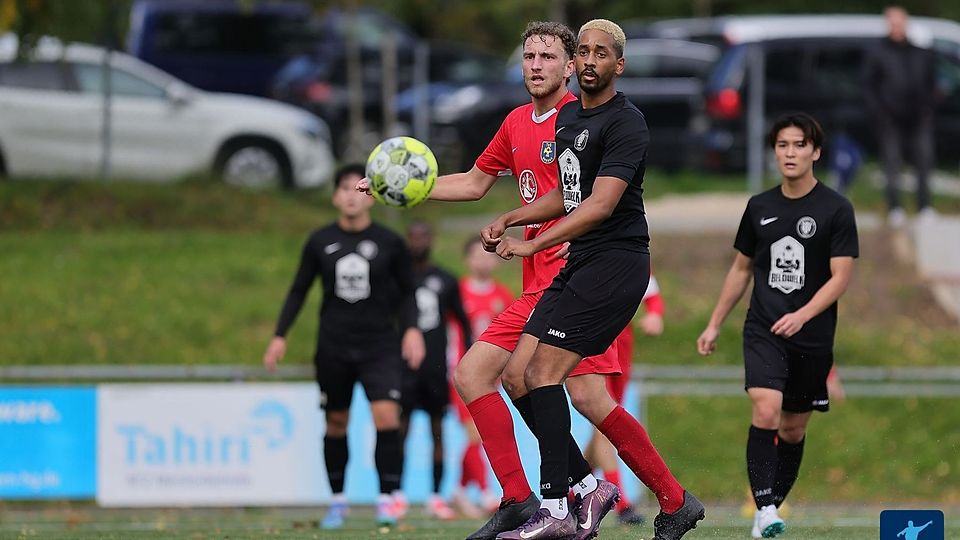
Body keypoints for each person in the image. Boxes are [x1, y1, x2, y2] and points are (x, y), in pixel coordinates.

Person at [361, 21, 633, 540]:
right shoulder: (515, 123)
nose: (535, 64)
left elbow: (601, 200)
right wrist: (400, 186)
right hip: (535, 280)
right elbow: (473, 182)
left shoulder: (580, 122)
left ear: (571, 66)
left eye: (547, 56)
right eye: (528, 56)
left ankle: (573, 496)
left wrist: (535, 229)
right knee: (486, 378)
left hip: (570, 279)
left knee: (565, 392)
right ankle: (550, 494)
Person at [483, 19, 704, 540]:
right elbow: (571, 194)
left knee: (544, 377)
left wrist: (534, 242)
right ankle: (666, 502)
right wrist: (514, 216)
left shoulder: (627, 123)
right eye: (581, 51)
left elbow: (601, 205)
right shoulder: (569, 121)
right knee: (521, 376)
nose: (587, 61)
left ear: (618, 65)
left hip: (615, 264)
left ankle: (558, 508)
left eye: (599, 53)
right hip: (580, 262)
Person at [696, 113, 859, 538]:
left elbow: (841, 276)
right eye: (782, 145)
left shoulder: (836, 209)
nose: (790, 153)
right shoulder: (760, 207)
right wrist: (714, 323)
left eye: (799, 145)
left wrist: (804, 314)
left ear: (815, 152)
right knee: (766, 409)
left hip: (813, 337)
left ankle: (766, 510)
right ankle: (766, 507)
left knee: (793, 427)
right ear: (774, 152)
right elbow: (740, 269)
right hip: (764, 328)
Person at [262, 164, 425, 530]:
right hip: (333, 345)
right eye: (344, 188)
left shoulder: (390, 242)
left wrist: (412, 330)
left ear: (370, 196)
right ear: (335, 196)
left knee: (387, 415)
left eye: (358, 188)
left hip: (379, 344)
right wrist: (279, 335)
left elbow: (408, 292)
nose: (352, 195)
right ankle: (337, 501)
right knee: (336, 421)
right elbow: (298, 290)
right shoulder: (320, 241)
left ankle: (387, 499)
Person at [399, 220, 473, 521]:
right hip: (402, 366)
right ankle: (396, 495)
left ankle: (435, 496)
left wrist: (468, 358)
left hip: (434, 368)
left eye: (423, 236)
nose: (418, 241)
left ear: (431, 241)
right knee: (398, 431)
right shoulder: (397, 279)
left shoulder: (445, 279)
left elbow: (464, 323)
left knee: (437, 432)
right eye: (413, 236)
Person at [583, 274, 664, 526]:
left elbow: (649, 288)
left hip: (621, 341)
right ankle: (618, 501)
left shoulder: (627, 247)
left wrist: (654, 313)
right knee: (605, 420)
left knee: (606, 420)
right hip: (592, 337)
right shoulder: (583, 246)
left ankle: (574, 489)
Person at [451, 237, 516, 519]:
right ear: (467, 259)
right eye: (477, 255)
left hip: (493, 375)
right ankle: (488, 492)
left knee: (481, 435)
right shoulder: (456, 292)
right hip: (462, 373)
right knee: (475, 433)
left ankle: (461, 489)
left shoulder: (503, 295)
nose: (483, 260)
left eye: (487, 256)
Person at [862, 6, 938, 227]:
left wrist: (928, 108)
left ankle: (924, 206)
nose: (896, 27)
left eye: (900, 22)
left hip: (919, 117)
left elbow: (932, 82)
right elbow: (868, 86)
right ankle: (895, 207)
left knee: (924, 161)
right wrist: (879, 112)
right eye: (892, 22)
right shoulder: (877, 52)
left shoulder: (920, 52)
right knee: (892, 163)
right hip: (889, 118)